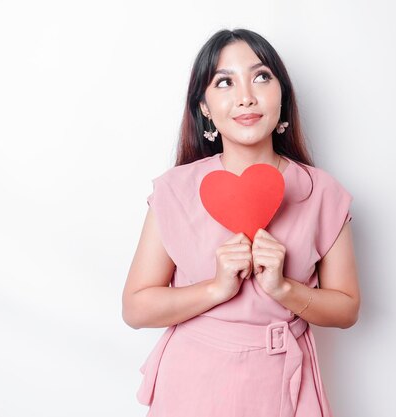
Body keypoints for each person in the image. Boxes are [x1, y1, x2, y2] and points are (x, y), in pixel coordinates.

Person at [122, 28, 360, 417]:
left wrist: (284, 289)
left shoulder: (323, 193)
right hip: (192, 387)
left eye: (261, 77)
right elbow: (135, 307)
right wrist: (216, 288)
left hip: (284, 386)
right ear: (204, 107)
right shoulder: (176, 191)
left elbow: (347, 309)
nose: (245, 96)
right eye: (224, 82)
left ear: (283, 96)